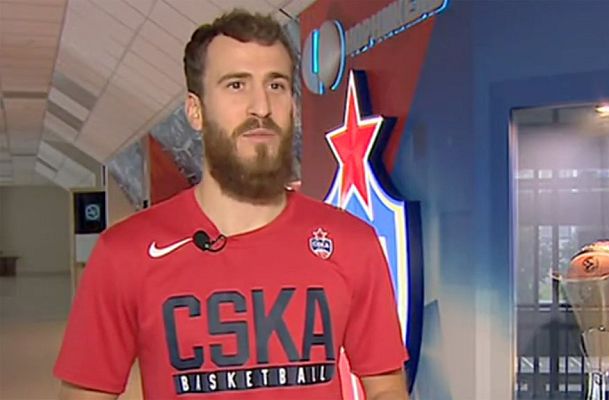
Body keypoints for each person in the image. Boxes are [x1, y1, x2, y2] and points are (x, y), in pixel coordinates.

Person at [54, 9, 408, 400]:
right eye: (236, 85)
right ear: (196, 111)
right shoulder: (125, 253)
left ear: (293, 105)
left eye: (275, 85)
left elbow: (385, 387)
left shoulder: (351, 243)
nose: (261, 107)